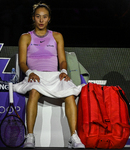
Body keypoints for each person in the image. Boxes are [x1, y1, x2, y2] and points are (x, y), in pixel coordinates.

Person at [13, 2, 85, 149]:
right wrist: (29, 73)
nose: (41, 20)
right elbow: (21, 62)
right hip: (34, 76)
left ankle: (73, 136)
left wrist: (64, 72)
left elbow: (63, 60)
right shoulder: (25, 37)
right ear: (33, 18)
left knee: (70, 94)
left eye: (44, 17)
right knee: (34, 91)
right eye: (38, 17)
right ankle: (30, 136)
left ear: (49, 19)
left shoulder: (57, 36)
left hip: (54, 76)